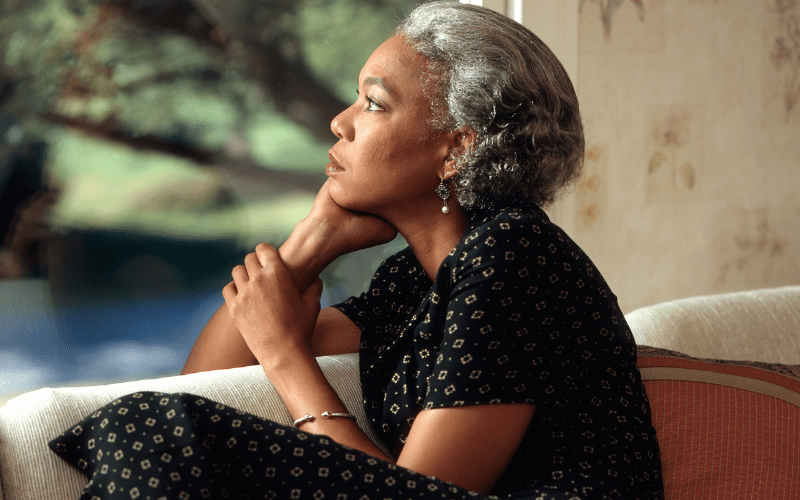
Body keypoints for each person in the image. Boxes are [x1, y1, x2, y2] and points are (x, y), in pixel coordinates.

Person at [49, 2, 664, 498]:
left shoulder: (514, 259)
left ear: (457, 149)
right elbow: (204, 386)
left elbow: (421, 493)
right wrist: (310, 243)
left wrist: (287, 355)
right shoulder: (414, 280)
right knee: (160, 426)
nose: (340, 122)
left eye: (374, 103)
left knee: (152, 429)